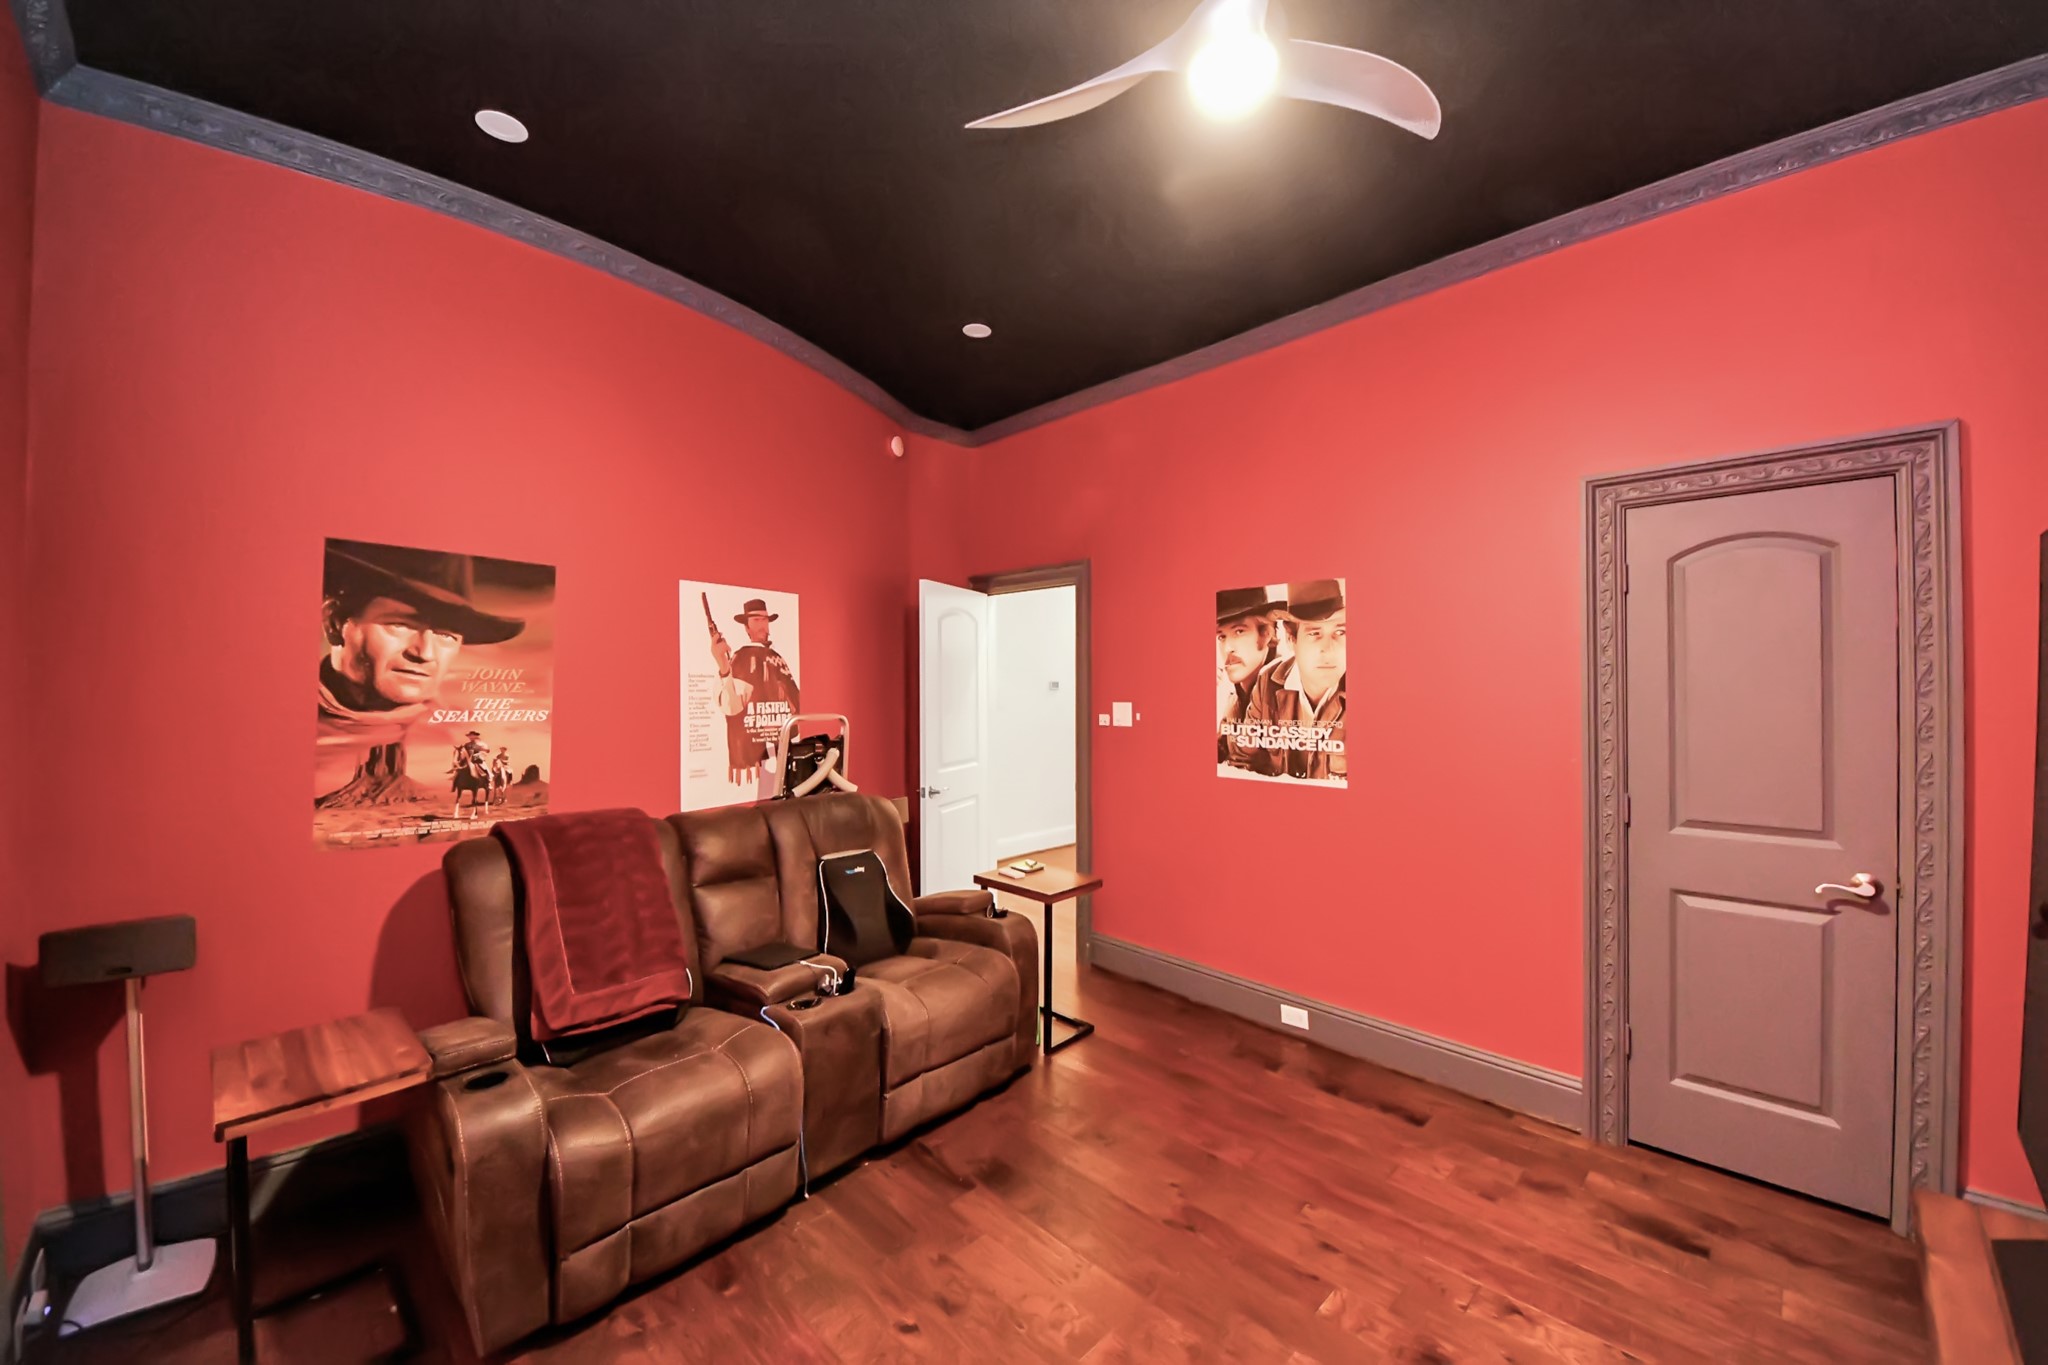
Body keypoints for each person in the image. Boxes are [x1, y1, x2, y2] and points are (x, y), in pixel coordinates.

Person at [314, 539, 526, 808]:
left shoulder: (454, 731)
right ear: (334, 623)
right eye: (400, 624)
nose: (424, 653)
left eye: (445, 634)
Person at [1227, 579, 1346, 783]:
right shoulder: (1268, 682)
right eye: (1315, 633)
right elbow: (1242, 760)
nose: (1329, 649)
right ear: (1291, 639)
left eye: (1340, 632)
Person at [714, 598, 801, 785]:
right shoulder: (742, 657)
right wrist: (723, 664)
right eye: (756, 620)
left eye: (765, 619)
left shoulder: (777, 657)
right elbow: (732, 706)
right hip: (754, 759)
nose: (762, 625)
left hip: (782, 749)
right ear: (747, 628)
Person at [1215, 586, 1284, 763]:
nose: (1228, 647)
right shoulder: (1235, 699)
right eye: (1221, 636)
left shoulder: (1288, 694)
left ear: (1266, 634)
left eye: (1239, 631)